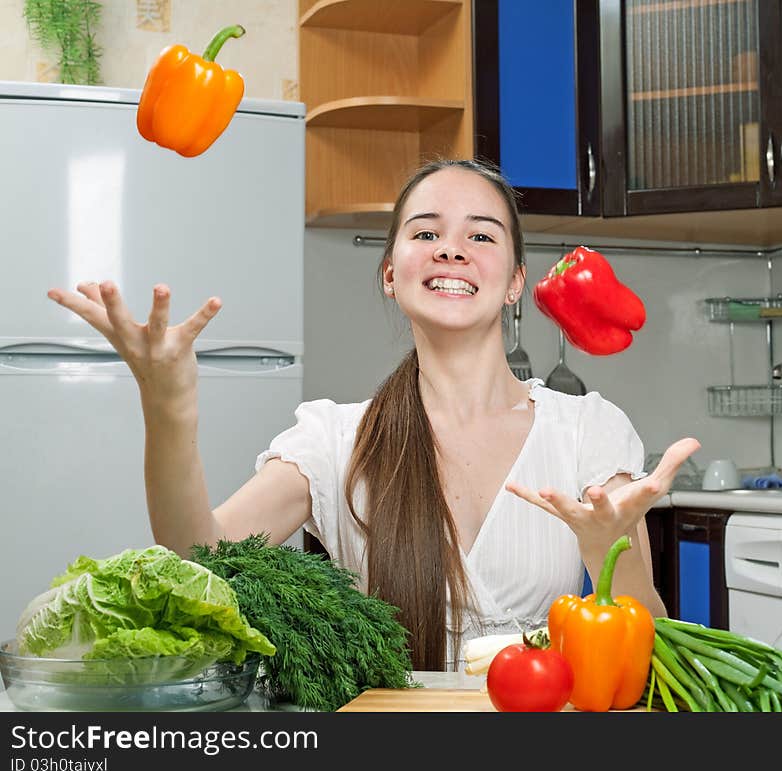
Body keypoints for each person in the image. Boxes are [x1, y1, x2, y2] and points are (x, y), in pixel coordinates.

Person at [47, 158, 700, 672]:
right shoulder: (334, 439)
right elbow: (199, 557)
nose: (451, 249)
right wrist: (168, 408)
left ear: (514, 283)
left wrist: (605, 550)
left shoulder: (588, 429)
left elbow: (650, 642)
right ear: (391, 273)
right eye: (425, 233)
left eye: (480, 234)